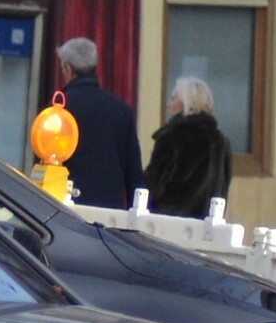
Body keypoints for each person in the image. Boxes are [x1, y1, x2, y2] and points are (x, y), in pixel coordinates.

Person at [54, 36, 145, 209]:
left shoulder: (60, 110)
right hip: (111, 212)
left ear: (68, 69)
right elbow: (134, 172)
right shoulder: (121, 110)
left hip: (67, 209)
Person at [144, 76, 233, 219]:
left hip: (170, 221)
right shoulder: (220, 141)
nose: (168, 104)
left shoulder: (172, 138)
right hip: (207, 223)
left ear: (186, 104)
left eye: (173, 99)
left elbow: (154, 184)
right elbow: (224, 185)